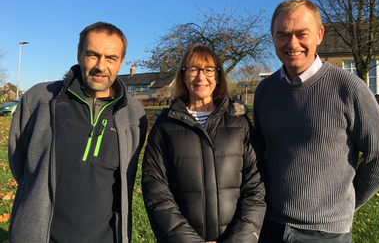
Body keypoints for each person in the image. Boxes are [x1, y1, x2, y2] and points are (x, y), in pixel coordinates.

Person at [253, 0, 379, 242]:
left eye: (302, 34)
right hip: (269, 226)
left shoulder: (350, 88)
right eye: (283, 34)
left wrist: (344, 206)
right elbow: (261, 154)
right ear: (273, 38)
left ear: (319, 35)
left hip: (326, 233)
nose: (292, 43)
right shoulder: (264, 91)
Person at [8, 22, 148, 243]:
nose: (101, 66)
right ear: (79, 54)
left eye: (111, 58)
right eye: (92, 55)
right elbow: (19, 160)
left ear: (121, 62)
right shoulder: (40, 99)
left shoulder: (134, 113)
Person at [142, 44, 266, 243]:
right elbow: (156, 191)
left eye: (208, 70)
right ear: (183, 75)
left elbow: (256, 187)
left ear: (217, 76)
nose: (201, 77)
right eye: (193, 69)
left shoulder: (239, 123)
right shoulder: (165, 126)